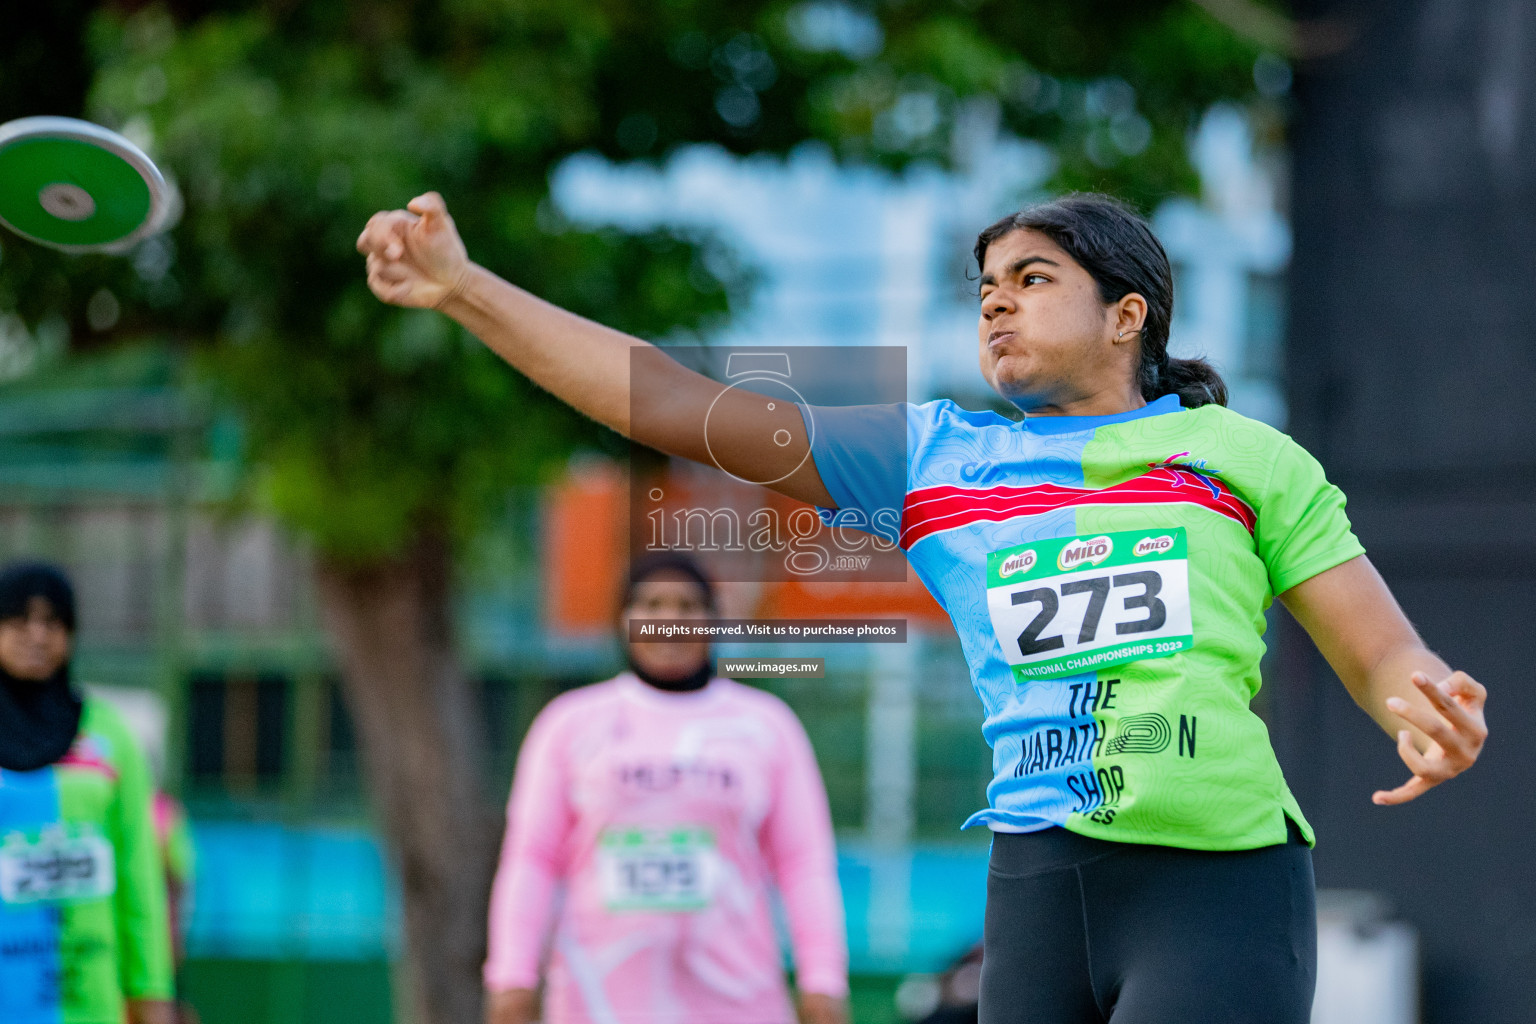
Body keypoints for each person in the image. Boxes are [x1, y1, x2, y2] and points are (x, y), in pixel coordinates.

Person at [358, 191, 1487, 1023]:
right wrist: (466, 288)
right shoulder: (933, 457)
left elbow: (1378, 646)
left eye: (1033, 279)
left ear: (1127, 313)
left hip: (1218, 878)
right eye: (986, 289)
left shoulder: (1242, 456)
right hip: (1037, 878)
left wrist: (1420, 699)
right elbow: (669, 402)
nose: (996, 304)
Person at [483, 553, 849, 1024]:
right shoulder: (570, 725)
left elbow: (804, 863)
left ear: (715, 619)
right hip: (596, 999)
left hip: (737, 1000)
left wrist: (822, 981)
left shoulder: (766, 727)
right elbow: (531, 859)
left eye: (687, 606)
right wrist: (512, 978)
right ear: (624, 620)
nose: (669, 621)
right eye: (651, 605)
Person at [0, 562, 175, 1024]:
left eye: (53, 623)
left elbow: (139, 871)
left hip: (89, 996)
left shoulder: (109, 734)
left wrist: (151, 991)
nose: (37, 637)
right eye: (19, 621)